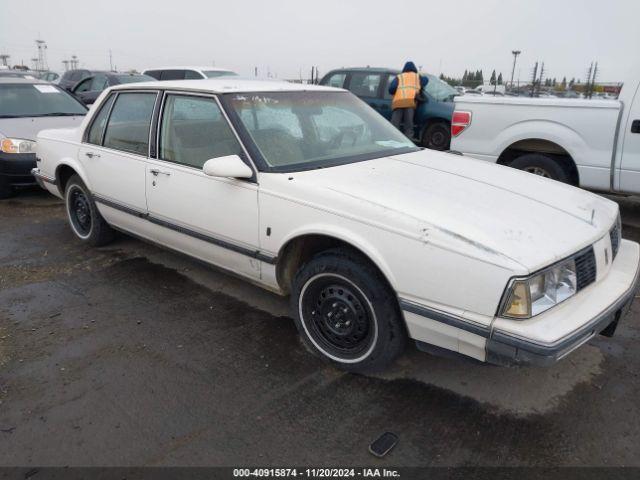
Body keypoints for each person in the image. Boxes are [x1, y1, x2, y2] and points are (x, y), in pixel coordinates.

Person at [388, 61, 428, 138]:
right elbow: (426, 80)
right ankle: (408, 143)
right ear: (414, 69)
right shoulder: (417, 77)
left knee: (394, 125)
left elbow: (391, 89)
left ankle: (392, 140)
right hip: (410, 103)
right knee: (409, 125)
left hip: (398, 102)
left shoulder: (399, 76)